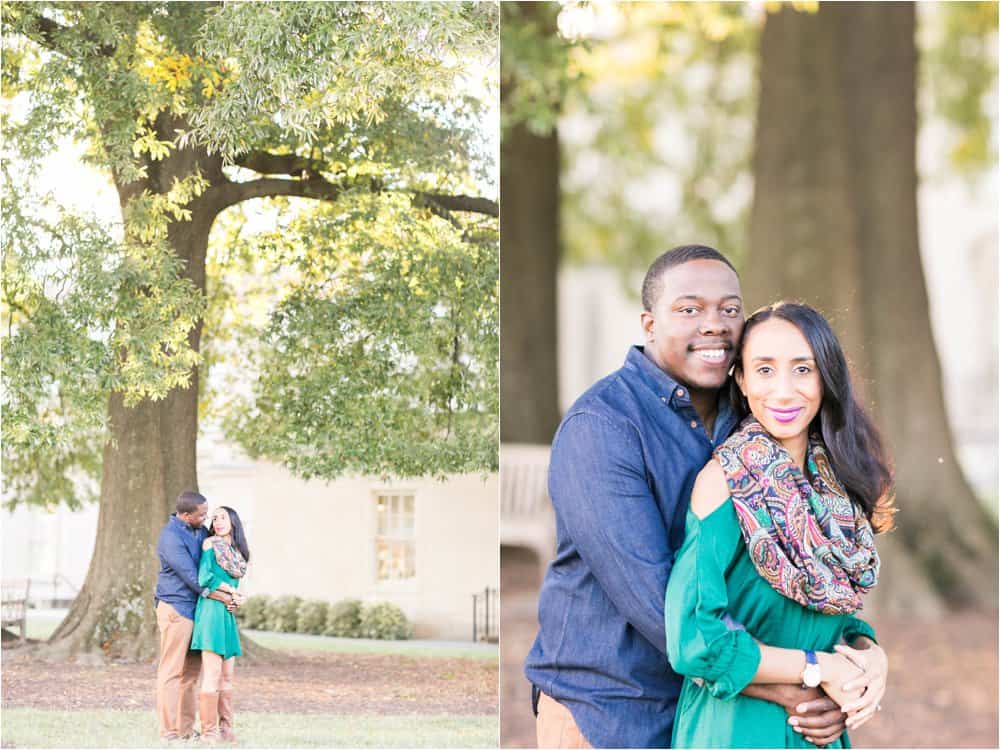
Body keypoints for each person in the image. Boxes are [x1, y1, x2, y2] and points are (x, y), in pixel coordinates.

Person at [524, 245, 887, 748]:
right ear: (649, 324)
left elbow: (794, 579)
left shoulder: (755, 431)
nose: (714, 324)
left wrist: (866, 656)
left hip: (717, 707)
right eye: (690, 309)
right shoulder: (602, 427)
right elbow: (663, 609)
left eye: (730, 309)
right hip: (610, 708)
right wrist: (802, 682)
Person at [665, 301, 894, 748]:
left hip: (817, 731)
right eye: (765, 370)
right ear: (742, 380)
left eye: (802, 370)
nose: (784, 392)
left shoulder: (838, 484)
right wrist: (817, 667)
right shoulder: (725, 482)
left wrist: (872, 657)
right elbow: (693, 639)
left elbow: (829, 618)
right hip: (737, 728)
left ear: (826, 377)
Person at [155, 491, 240, 742]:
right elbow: (192, 576)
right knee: (171, 672)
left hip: (199, 612)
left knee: (191, 675)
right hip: (176, 608)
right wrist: (222, 596)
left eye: (207, 513)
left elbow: (215, 563)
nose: (206, 519)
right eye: (201, 514)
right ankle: (169, 732)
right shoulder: (170, 537)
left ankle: (184, 729)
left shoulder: (200, 532)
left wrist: (232, 595)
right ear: (185, 515)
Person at [191, 505, 250, 744]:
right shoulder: (209, 545)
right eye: (214, 518)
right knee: (212, 676)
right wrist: (230, 591)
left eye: (222, 517)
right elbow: (205, 578)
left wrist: (239, 598)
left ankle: (226, 730)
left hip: (227, 613)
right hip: (211, 613)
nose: (217, 521)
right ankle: (208, 733)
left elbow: (236, 584)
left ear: (233, 522)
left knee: (227, 677)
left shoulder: (237, 552)